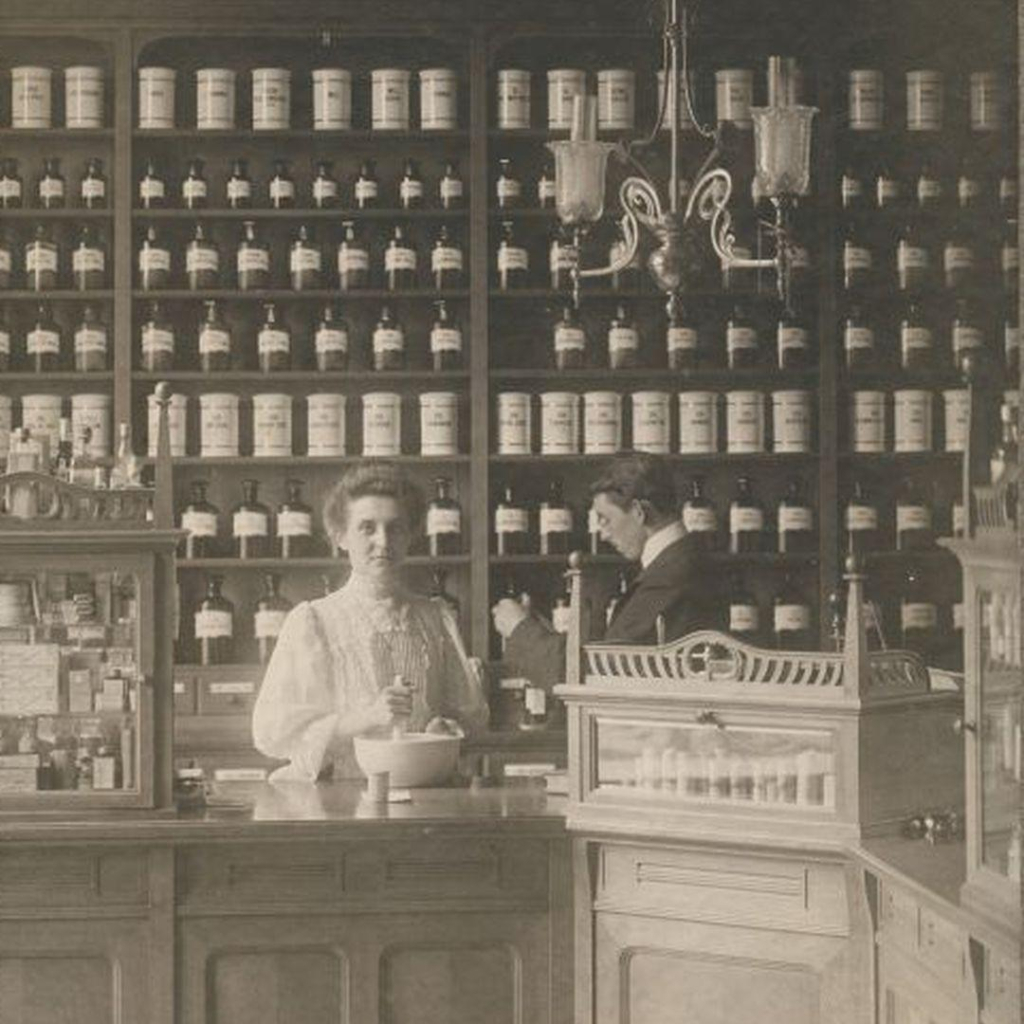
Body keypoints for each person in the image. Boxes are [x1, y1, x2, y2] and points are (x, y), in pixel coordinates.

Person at [253, 462, 488, 782]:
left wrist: (447, 729)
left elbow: (469, 716)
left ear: (410, 536)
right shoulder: (313, 621)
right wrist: (367, 717)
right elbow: (273, 732)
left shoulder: (436, 617)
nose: (383, 541)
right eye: (367, 527)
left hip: (425, 794)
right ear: (340, 537)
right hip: (342, 799)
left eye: (395, 528)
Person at [492, 453, 708, 692]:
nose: (603, 534)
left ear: (638, 511)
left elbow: (600, 675)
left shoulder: (671, 575)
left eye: (605, 519)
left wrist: (520, 629)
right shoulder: (678, 562)